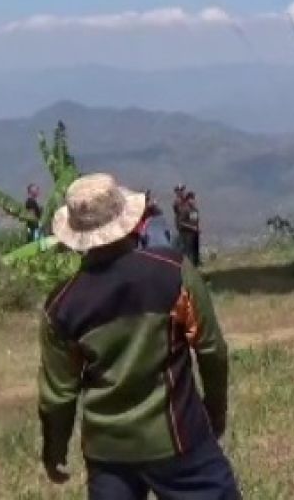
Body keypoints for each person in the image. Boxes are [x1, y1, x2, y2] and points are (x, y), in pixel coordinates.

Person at [38, 173, 239, 499]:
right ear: (130, 222)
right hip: (178, 438)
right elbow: (211, 349)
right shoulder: (172, 271)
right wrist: (214, 412)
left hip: (107, 454)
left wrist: (54, 450)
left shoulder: (62, 305)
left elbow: (57, 396)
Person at [174, 187, 202, 267]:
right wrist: (191, 227)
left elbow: (194, 221)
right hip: (186, 233)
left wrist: (197, 229)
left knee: (195, 249)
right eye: (191, 199)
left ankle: (196, 264)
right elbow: (181, 222)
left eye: (193, 199)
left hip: (194, 232)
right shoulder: (185, 210)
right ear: (188, 200)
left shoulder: (194, 210)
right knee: (187, 250)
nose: (193, 201)